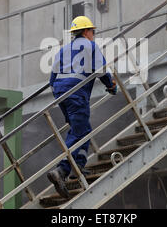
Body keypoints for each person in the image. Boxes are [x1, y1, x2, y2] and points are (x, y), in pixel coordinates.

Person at [47, 16, 117, 198]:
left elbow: (52, 79)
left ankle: (77, 166)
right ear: (86, 31)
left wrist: (59, 92)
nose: (93, 35)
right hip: (76, 93)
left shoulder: (62, 50)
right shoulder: (91, 47)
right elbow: (101, 71)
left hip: (61, 93)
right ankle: (61, 169)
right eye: (93, 31)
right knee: (79, 132)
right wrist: (111, 86)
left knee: (83, 129)